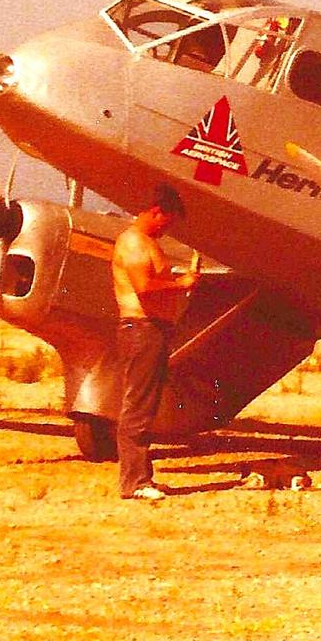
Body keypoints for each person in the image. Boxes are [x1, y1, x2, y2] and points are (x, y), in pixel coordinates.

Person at [110, 185, 197, 501]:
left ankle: (141, 476)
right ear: (156, 211)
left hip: (153, 331)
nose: (168, 227)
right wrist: (181, 283)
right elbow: (144, 286)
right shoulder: (133, 242)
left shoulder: (147, 243)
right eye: (168, 220)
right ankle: (134, 482)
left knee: (145, 405)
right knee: (138, 405)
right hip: (142, 330)